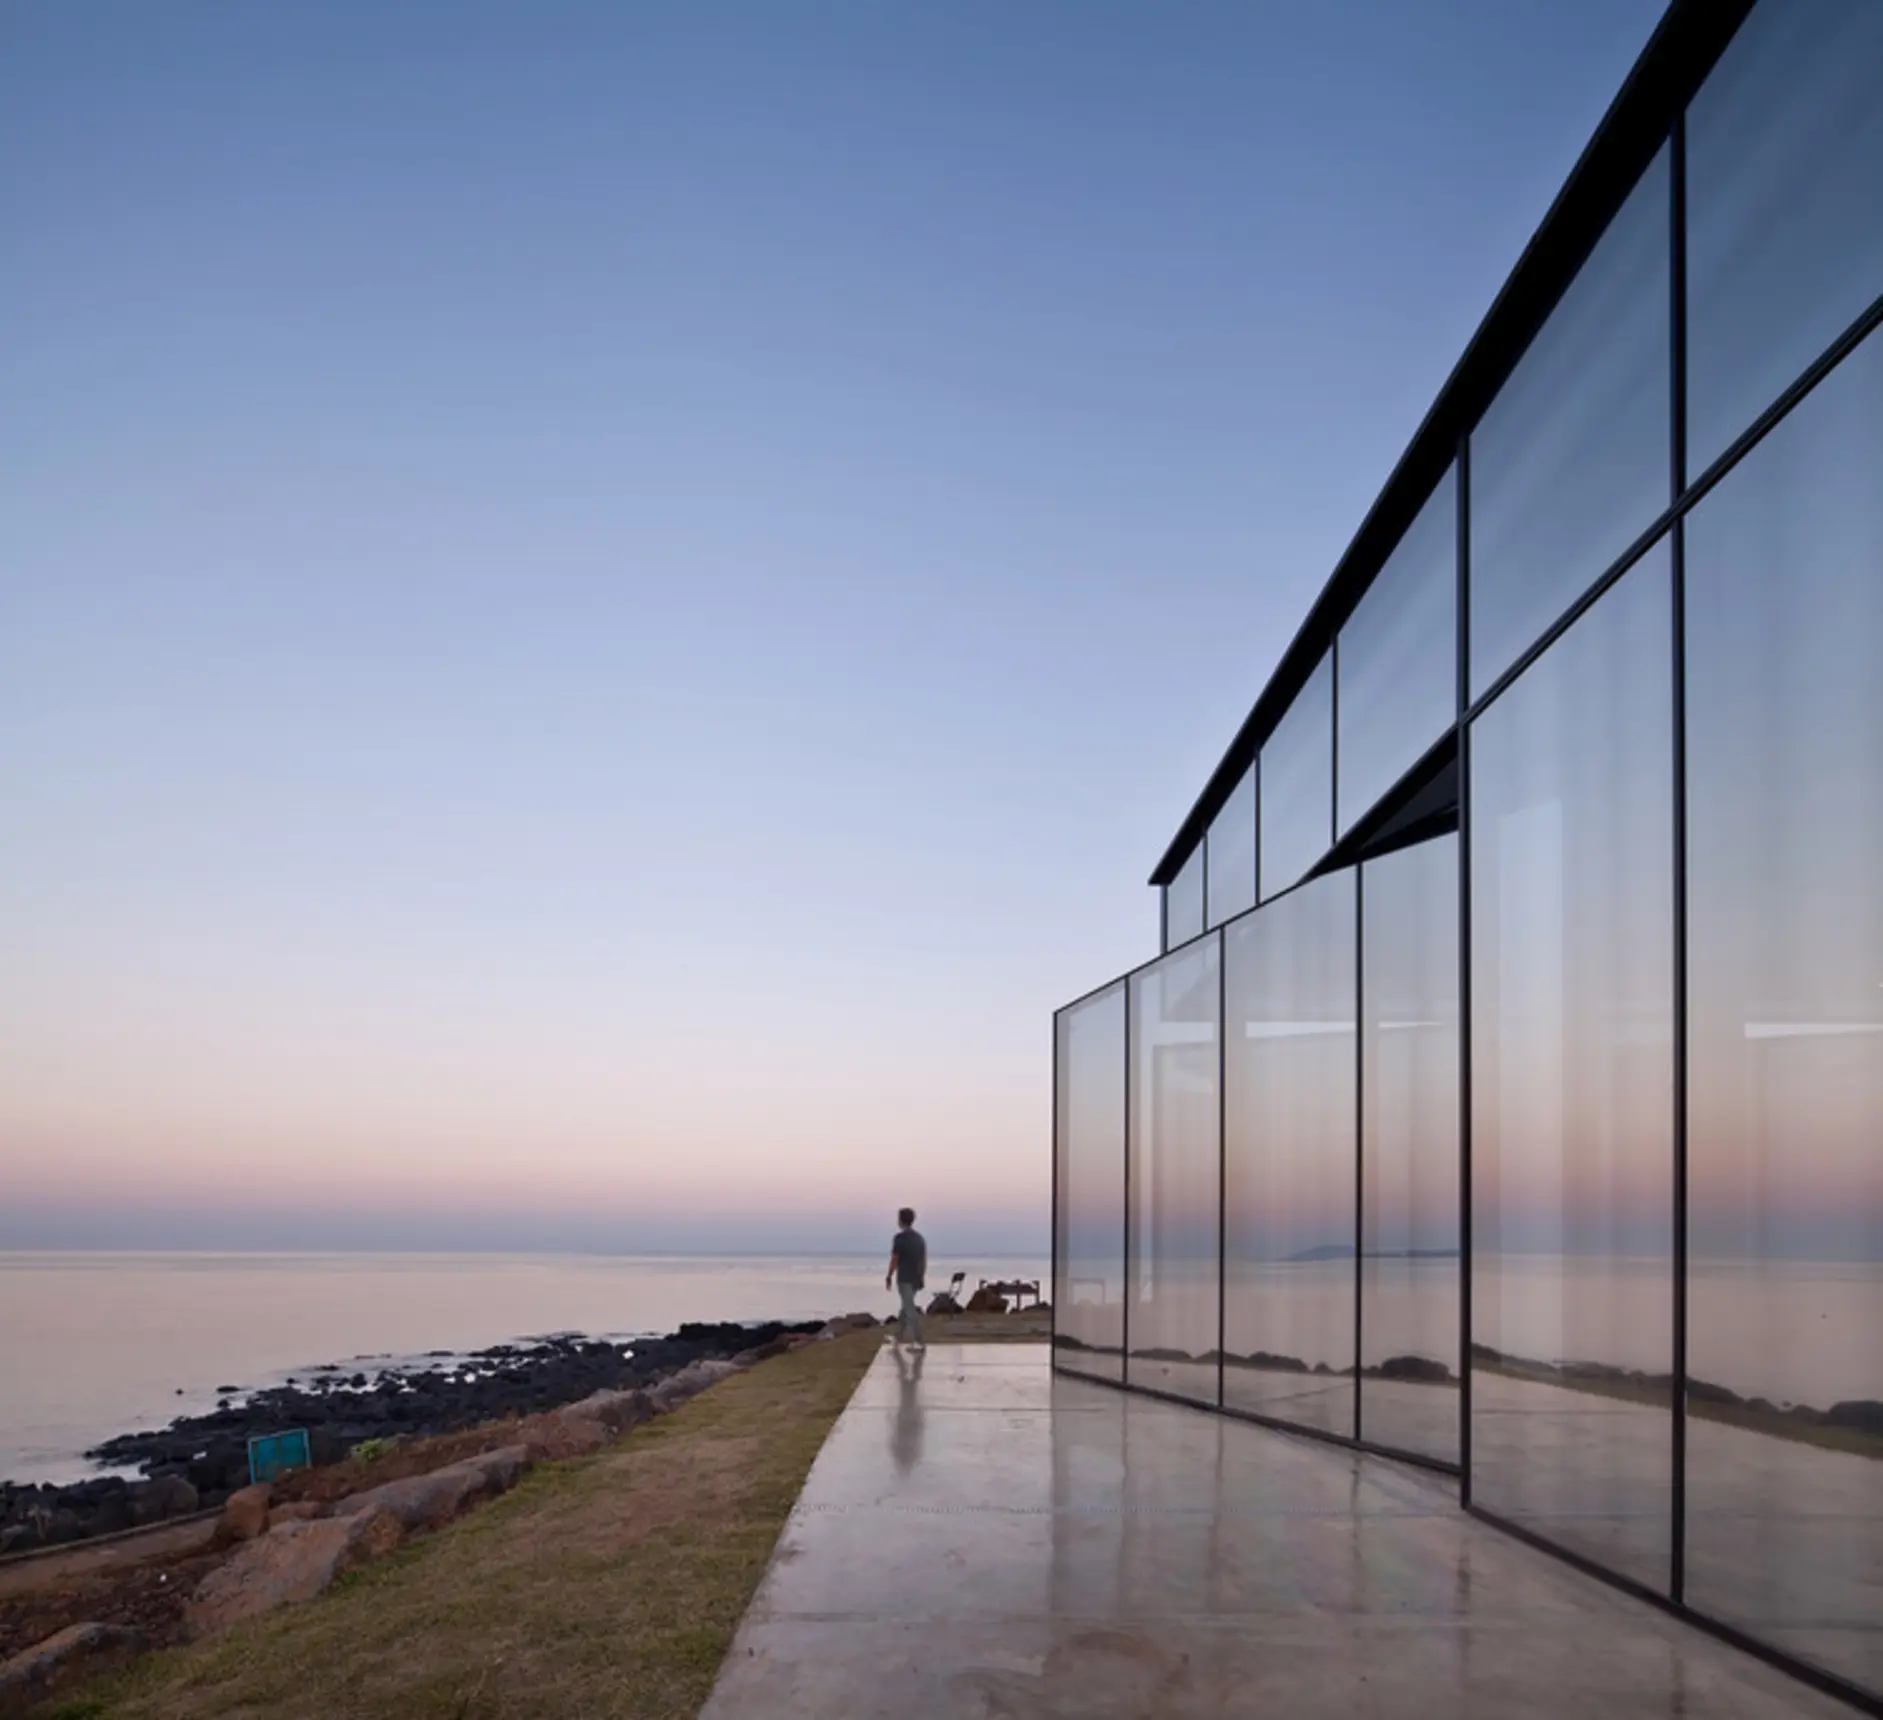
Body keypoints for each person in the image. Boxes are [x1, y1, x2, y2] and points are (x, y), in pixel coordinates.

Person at [884, 1207, 927, 1350]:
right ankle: (897, 1338)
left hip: (904, 1279)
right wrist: (921, 1277)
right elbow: (923, 1260)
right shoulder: (919, 1239)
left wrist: (889, 1276)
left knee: (909, 1309)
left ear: (901, 1221)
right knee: (905, 1308)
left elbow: (895, 1259)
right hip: (916, 1278)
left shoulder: (900, 1239)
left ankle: (918, 1341)